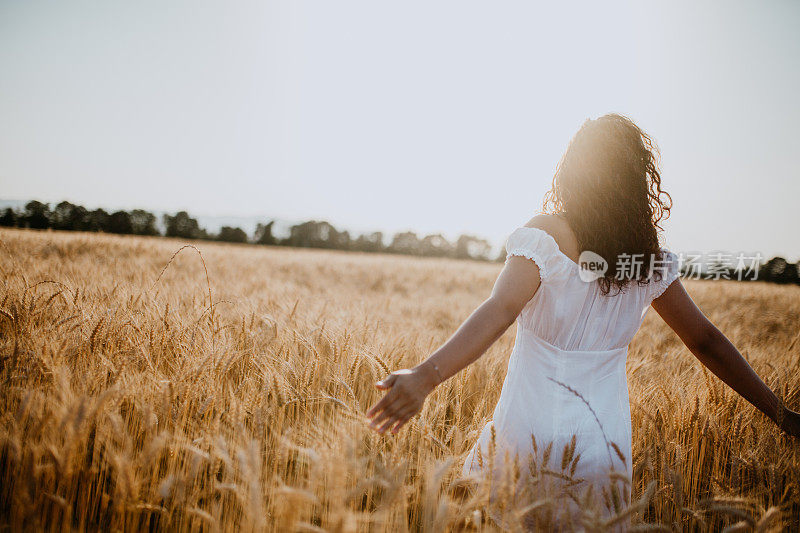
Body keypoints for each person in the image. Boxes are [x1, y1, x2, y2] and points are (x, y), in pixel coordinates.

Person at [365, 114, 800, 524]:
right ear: (638, 182)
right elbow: (706, 340)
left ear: (574, 171)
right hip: (600, 449)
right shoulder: (647, 262)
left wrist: (427, 375)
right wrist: (781, 414)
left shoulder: (547, 237)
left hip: (522, 437)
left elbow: (499, 310)